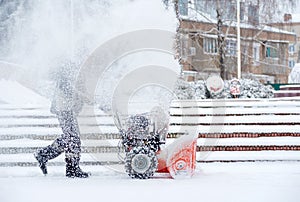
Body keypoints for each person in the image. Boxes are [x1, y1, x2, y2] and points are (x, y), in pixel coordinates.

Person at [34, 64, 90, 178]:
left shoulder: (73, 66)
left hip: (66, 108)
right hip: (64, 108)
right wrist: (82, 95)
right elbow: (66, 87)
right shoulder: (68, 66)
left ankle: (46, 156)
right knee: (73, 138)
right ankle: (71, 168)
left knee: (71, 138)